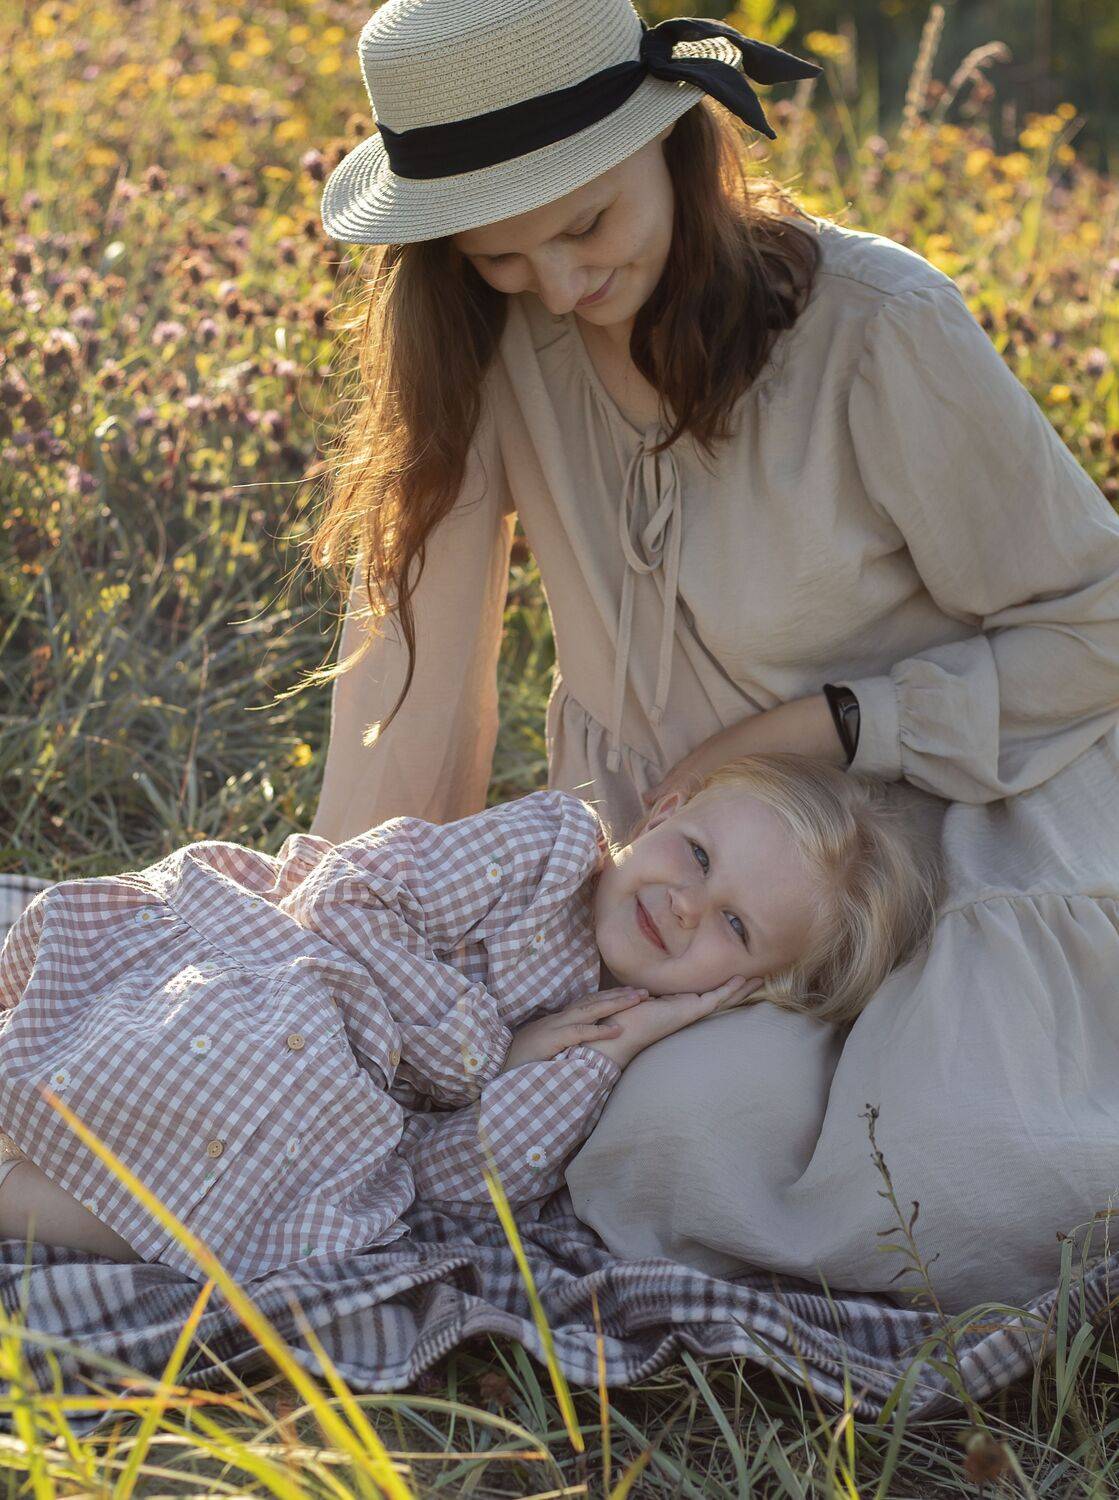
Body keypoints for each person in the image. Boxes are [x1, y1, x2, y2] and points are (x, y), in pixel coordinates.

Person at [302, 0, 1119, 1314]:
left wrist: (827, 729)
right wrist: (337, 960)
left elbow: (1095, 621)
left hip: (948, 828)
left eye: (586, 225)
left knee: (962, 1179)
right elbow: (412, 696)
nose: (557, 286)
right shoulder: (482, 335)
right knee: (658, 1147)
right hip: (681, 887)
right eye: (502, 256)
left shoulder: (877, 327)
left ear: (673, 144)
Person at [0, 753, 935, 1278]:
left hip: (315, 1119)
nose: (686, 904)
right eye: (694, 854)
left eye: (733, 925)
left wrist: (602, 1053)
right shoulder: (545, 852)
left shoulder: (603, 1041)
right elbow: (345, 894)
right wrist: (486, 1051)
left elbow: (451, 1178)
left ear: (748, 990)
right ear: (660, 814)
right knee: (271, 1068)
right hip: (271, 969)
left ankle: (20, 1196)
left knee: (307, 1209)